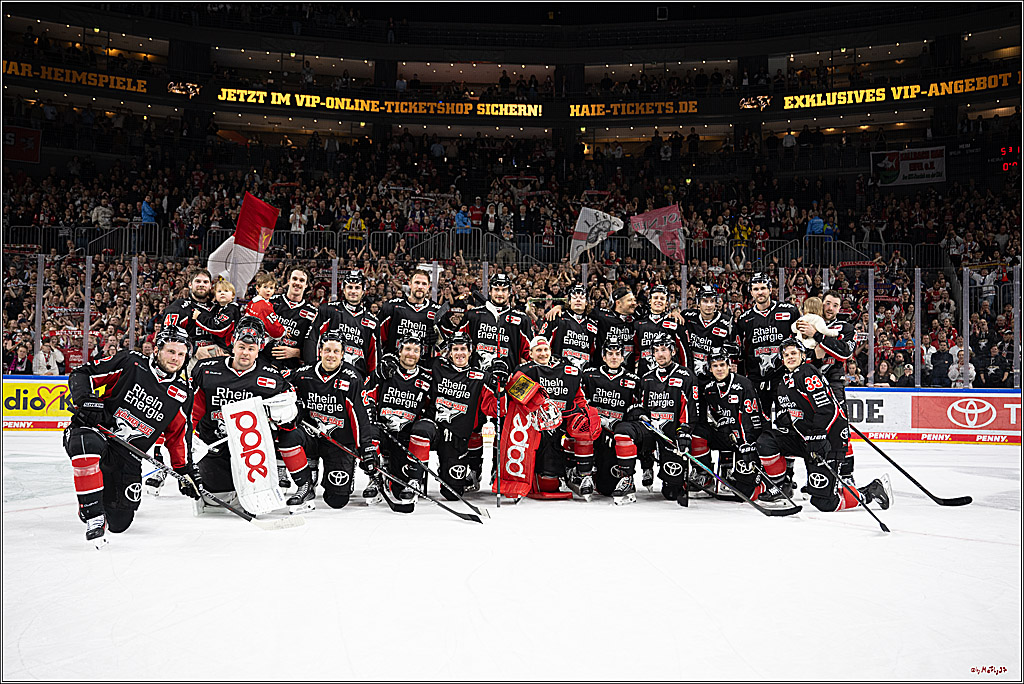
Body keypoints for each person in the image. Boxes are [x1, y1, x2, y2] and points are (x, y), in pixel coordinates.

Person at [64, 326, 200, 546]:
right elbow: (82, 373)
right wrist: (85, 399)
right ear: (157, 350)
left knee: (119, 522)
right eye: (170, 351)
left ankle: (101, 495)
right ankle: (92, 513)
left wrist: (184, 470)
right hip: (99, 432)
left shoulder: (182, 393)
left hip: (128, 454)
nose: (175, 358)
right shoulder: (132, 362)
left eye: (181, 354)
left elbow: (178, 435)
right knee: (85, 442)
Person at [189, 317, 315, 513]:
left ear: (259, 349)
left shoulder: (271, 378)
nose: (245, 353)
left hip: (252, 449)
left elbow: (290, 418)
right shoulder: (206, 369)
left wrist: (285, 416)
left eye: (251, 348)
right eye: (241, 347)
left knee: (291, 436)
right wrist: (191, 437)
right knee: (217, 499)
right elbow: (193, 409)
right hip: (214, 443)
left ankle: (304, 484)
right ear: (233, 344)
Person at [755, 338, 892, 511]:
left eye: (794, 353)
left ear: (803, 355)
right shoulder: (784, 382)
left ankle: (870, 492)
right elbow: (789, 413)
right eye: (786, 354)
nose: (790, 357)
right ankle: (779, 487)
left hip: (828, 439)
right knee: (767, 441)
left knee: (824, 503)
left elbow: (827, 409)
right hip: (808, 439)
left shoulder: (807, 373)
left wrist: (818, 435)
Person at [290, 330, 378, 510]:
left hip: (339, 441)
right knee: (290, 436)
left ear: (342, 354)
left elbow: (360, 415)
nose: (331, 355)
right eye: (327, 350)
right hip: (312, 434)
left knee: (336, 501)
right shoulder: (303, 374)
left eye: (336, 351)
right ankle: (306, 482)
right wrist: (295, 408)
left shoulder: (351, 378)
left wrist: (366, 447)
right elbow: (283, 388)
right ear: (320, 351)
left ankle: (345, 472)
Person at [734, 272, 802, 492]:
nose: (760, 292)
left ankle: (787, 476)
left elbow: (801, 344)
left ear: (771, 289)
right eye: (755, 289)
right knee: (758, 427)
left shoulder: (788, 311)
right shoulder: (744, 320)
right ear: (750, 292)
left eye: (763, 288)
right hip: (756, 384)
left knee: (787, 426)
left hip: (784, 382)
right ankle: (763, 472)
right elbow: (740, 354)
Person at [515, 335, 601, 501]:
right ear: (531, 354)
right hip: (535, 426)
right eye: (538, 350)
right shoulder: (524, 371)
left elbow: (579, 398)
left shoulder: (568, 371)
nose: (543, 353)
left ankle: (579, 473)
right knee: (548, 484)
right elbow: (515, 400)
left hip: (563, 421)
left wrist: (586, 412)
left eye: (545, 349)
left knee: (584, 426)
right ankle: (536, 473)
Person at [362, 335, 435, 510]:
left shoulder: (426, 379)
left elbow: (431, 408)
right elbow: (365, 395)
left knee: (398, 490)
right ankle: (375, 477)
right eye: (407, 349)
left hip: (406, 437)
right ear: (399, 351)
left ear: (421, 354)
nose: (411, 354)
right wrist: (372, 415)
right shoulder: (385, 371)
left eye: (416, 351)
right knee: (368, 432)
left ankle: (412, 479)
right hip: (384, 432)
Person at [427, 331, 499, 498]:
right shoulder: (437, 366)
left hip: (458, 435)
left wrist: (499, 385)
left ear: (470, 351)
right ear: (450, 352)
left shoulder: (480, 376)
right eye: (455, 349)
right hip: (437, 428)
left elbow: (497, 410)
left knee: (452, 494)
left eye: (463, 349)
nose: (459, 353)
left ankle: (454, 466)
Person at [797, 291, 857, 482]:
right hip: (809, 386)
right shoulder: (806, 323)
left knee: (840, 429)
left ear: (840, 308)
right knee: (811, 430)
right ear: (820, 304)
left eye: (835, 305)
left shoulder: (845, 327)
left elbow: (845, 352)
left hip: (833, 383)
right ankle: (815, 475)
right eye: (827, 303)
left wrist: (818, 337)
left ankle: (846, 475)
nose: (830, 308)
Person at [635, 332, 700, 506]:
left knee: (671, 492)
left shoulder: (686, 376)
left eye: (664, 349)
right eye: (656, 350)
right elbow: (642, 405)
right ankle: (646, 464)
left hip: (672, 432)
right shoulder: (647, 378)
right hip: (653, 429)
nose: (660, 354)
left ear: (672, 351)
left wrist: (685, 431)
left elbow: (691, 407)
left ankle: (672, 478)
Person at [694, 346, 766, 500]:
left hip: (746, 437)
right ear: (710, 368)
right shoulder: (709, 388)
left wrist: (748, 443)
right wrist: (719, 422)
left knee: (744, 493)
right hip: (726, 435)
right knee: (697, 433)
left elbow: (752, 417)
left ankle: (764, 482)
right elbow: (711, 413)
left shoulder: (743, 384)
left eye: (722, 365)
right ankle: (706, 475)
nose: (719, 369)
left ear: (728, 365)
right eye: (715, 366)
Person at [580, 337, 644, 505]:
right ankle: (584, 474)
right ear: (603, 356)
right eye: (610, 354)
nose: (614, 357)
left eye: (618, 354)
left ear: (623, 357)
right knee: (580, 426)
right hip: (596, 429)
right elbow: (581, 400)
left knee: (607, 487)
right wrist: (596, 419)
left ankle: (627, 477)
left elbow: (638, 408)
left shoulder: (633, 380)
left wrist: (621, 424)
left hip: (617, 433)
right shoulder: (589, 375)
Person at [304, 270, 379, 377]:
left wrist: (370, 382)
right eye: (350, 287)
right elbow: (312, 339)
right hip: (327, 374)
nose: (353, 291)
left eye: (357, 288)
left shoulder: (372, 322)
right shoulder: (328, 310)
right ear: (343, 289)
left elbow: (374, 357)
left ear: (363, 291)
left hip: (357, 378)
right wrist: (313, 369)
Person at [459, 273, 533, 375]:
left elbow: (531, 353)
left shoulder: (521, 319)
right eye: (496, 289)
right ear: (490, 291)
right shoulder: (473, 315)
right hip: (477, 380)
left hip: (508, 380)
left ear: (509, 293)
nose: (500, 294)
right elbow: (457, 343)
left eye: (504, 290)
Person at [377, 268, 439, 363]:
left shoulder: (436, 310)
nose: (420, 287)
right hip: (394, 363)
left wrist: (437, 340)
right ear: (410, 284)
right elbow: (376, 337)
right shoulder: (392, 307)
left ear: (428, 286)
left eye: (424, 284)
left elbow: (445, 345)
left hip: (422, 366)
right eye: (417, 283)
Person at [265, 267, 318, 373]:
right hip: (264, 360)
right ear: (288, 281)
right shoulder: (270, 303)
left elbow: (315, 346)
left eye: (302, 280)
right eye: (294, 279)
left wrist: (296, 353)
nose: (297, 283)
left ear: (306, 285)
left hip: (292, 368)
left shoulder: (313, 313)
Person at [680, 284, 738, 379]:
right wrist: (674, 312)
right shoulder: (688, 316)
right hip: (691, 372)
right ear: (698, 303)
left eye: (712, 301)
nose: (709, 305)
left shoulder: (727, 322)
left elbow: (736, 350)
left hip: (715, 373)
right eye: (705, 301)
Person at [162, 268, 218, 364]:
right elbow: (168, 336)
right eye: (198, 281)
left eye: (205, 282)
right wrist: (194, 349)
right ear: (190, 284)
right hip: (188, 358)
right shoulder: (178, 307)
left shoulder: (218, 309)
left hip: (215, 357)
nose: (201, 285)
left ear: (210, 286)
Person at [541, 284, 597, 371]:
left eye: (582, 298)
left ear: (586, 303)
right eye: (574, 297)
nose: (578, 300)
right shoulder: (557, 317)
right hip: (558, 371)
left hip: (583, 373)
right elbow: (541, 341)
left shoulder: (592, 325)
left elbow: (594, 351)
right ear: (569, 301)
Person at [636, 284, 687, 377]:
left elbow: (684, 354)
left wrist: (686, 375)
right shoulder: (639, 324)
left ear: (667, 303)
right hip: (645, 377)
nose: (658, 301)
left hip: (670, 377)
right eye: (655, 298)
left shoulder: (675, 322)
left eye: (662, 299)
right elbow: (635, 352)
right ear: (649, 301)